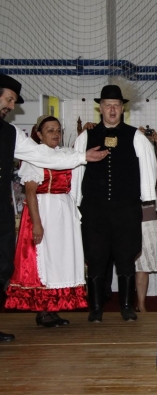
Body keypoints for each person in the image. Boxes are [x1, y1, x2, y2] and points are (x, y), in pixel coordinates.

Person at [0, 74, 107, 341]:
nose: (11, 106)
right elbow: (32, 185)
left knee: (2, 265)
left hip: (5, 208)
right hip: (43, 210)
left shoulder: (10, 133)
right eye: (9, 99)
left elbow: (43, 155)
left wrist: (82, 156)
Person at [71, 84, 157, 323]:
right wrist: (75, 202)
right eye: (108, 105)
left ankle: (127, 307)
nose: (112, 110)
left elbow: (148, 168)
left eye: (116, 105)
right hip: (94, 210)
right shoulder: (85, 137)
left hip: (126, 210)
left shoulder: (136, 136)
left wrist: (146, 197)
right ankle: (96, 308)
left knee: (126, 258)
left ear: (122, 109)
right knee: (96, 258)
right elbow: (76, 171)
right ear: (100, 108)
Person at [4, 115, 87, 326]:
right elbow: (30, 193)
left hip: (63, 211)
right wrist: (37, 223)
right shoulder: (34, 158)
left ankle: (53, 307)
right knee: (45, 259)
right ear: (39, 135)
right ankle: (42, 311)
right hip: (44, 209)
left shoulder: (64, 155)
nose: (55, 134)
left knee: (59, 259)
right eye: (50, 130)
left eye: (58, 130)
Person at [135, 126, 157, 312]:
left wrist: (156, 143)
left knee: (143, 265)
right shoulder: (128, 169)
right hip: (127, 217)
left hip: (147, 217)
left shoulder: (150, 174)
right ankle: (129, 304)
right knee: (127, 265)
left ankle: (142, 305)